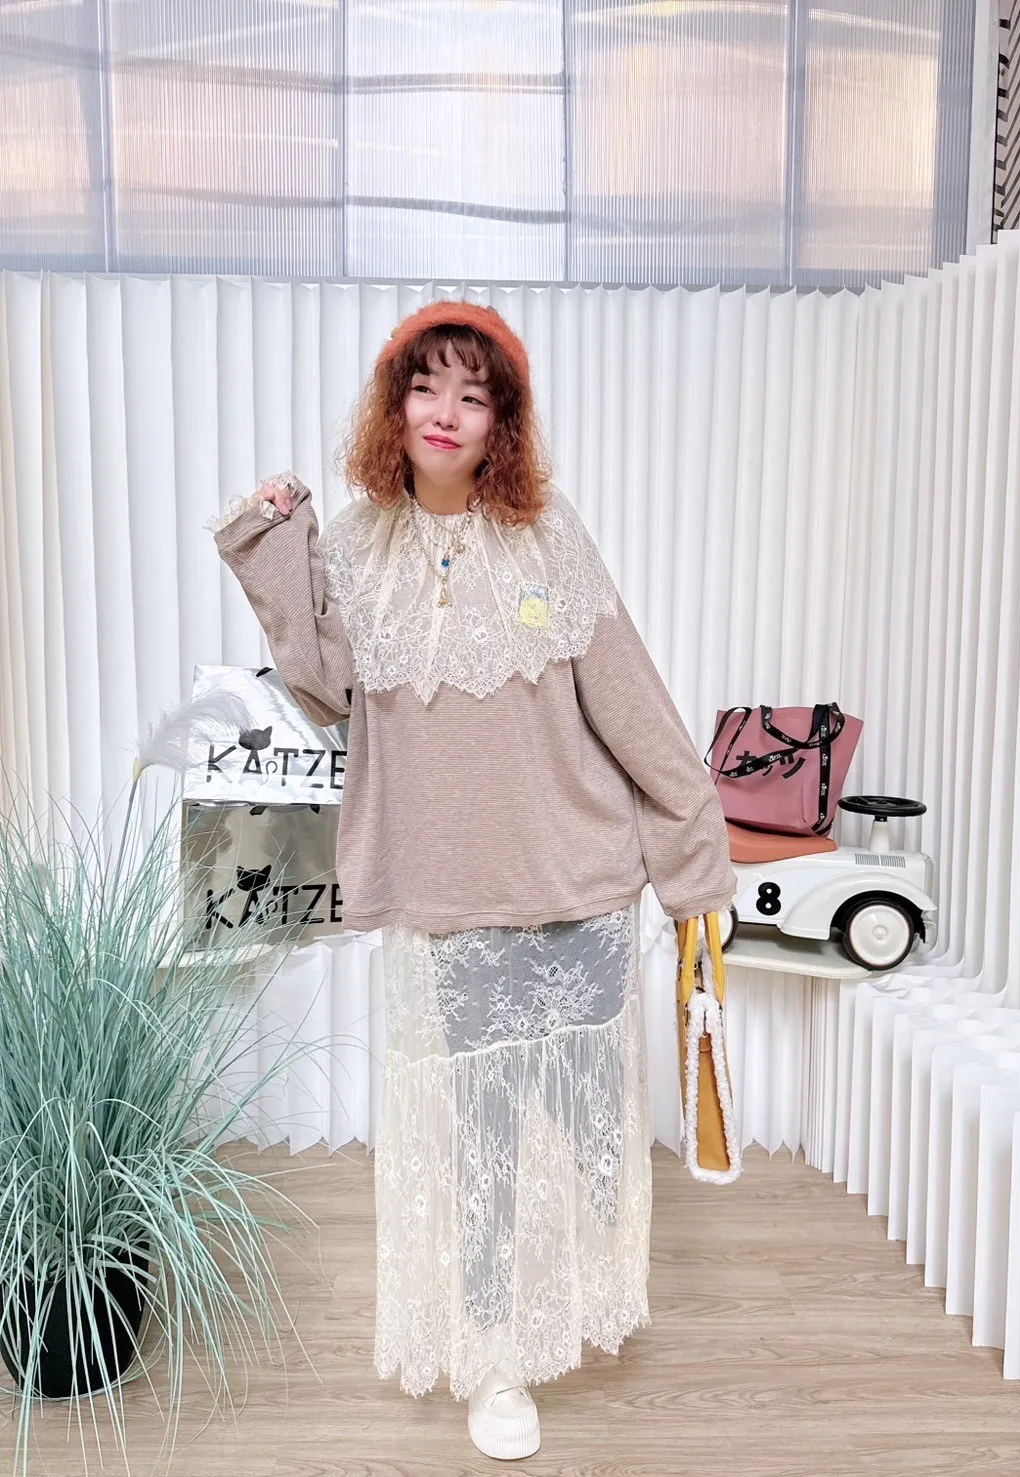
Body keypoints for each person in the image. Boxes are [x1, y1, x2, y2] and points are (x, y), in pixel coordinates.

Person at [209, 301, 734, 1461]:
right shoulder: (358, 547)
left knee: (589, 1138)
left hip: (578, 889)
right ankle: (497, 1358)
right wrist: (274, 542)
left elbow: (634, 706)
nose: (445, 410)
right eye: (425, 385)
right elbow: (320, 685)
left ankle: (573, 1304)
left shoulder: (548, 538)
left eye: (473, 393)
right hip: (448, 905)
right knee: (479, 1146)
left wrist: (694, 870)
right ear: (394, 404)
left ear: (502, 421)